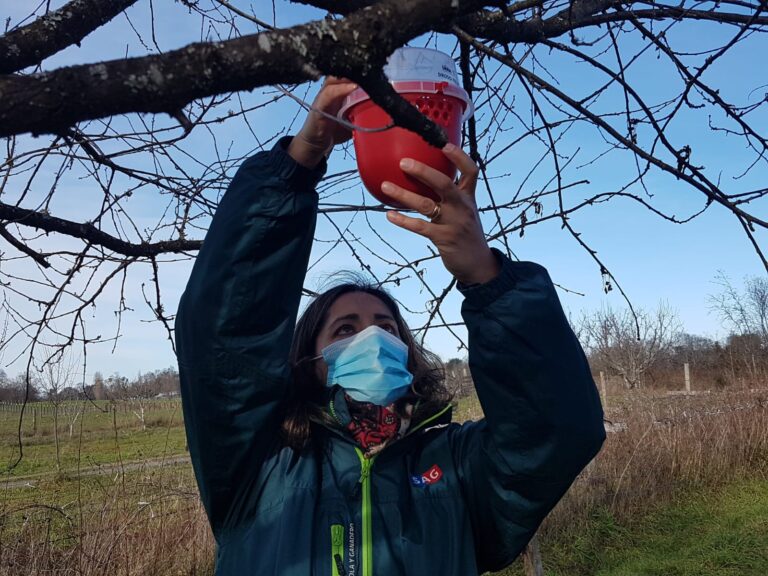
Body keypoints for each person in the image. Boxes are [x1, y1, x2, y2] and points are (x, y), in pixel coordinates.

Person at [176, 77, 605, 576]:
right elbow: (223, 335)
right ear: (309, 362)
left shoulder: (458, 466)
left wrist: (486, 277)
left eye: (386, 325)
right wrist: (299, 161)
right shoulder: (260, 465)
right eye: (344, 330)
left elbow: (557, 429)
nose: (372, 339)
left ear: (407, 349)